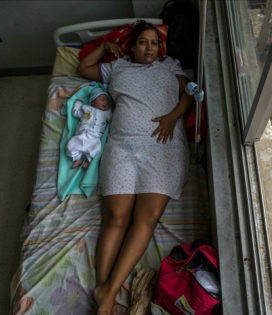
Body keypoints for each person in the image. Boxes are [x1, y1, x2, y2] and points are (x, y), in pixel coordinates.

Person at [78, 21, 194, 315]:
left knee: (147, 216)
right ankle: (105, 291)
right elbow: (83, 69)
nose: (149, 48)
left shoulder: (171, 67)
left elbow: (189, 95)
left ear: (160, 47)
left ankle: (106, 292)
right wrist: (104, 47)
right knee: (116, 216)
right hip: (124, 146)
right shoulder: (117, 68)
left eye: (154, 43)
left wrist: (171, 118)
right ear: (131, 46)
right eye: (142, 42)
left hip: (163, 144)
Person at [65, 88, 112, 169]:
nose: (105, 102)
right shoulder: (86, 108)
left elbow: (112, 119)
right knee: (70, 146)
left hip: (94, 137)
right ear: (93, 101)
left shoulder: (105, 113)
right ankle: (78, 159)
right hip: (81, 134)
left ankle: (88, 160)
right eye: (102, 99)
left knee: (96, 149)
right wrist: (78, 103)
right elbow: (76, 113)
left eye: (107, 101)